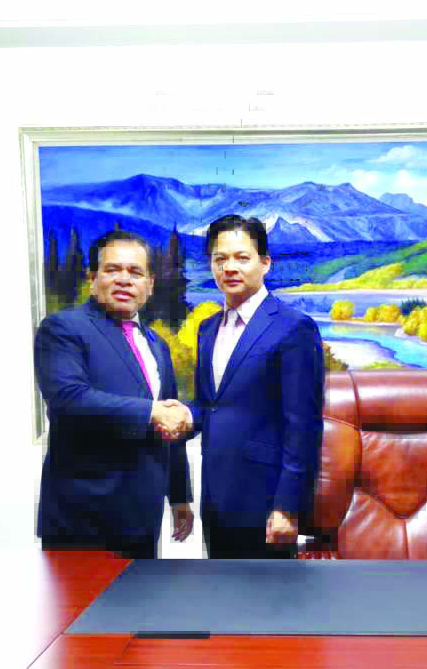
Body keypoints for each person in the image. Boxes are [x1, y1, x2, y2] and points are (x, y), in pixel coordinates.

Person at [164, 214, 324, 558]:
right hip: (216, 497)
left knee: (269, 593)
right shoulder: (207, 329)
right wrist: (184, 416)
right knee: (221, 591)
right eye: (220, 259)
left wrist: (287, 506)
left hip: (266, 501)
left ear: (265, 263)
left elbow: (304, 427)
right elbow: (211, 404)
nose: (230, 268)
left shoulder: (294, 327)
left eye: (242, 257)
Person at [34, 229, 194, 558]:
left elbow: (170, 426)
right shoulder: (63, 328)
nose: (124, 279)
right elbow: (69, 399)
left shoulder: (157, 345)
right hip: (81, 520)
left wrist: (179, 497)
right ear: (93, 278)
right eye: (112, 269)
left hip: (142, 518)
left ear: (150, 285)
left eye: (135, 272)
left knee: (141, 594)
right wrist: (152, 411)